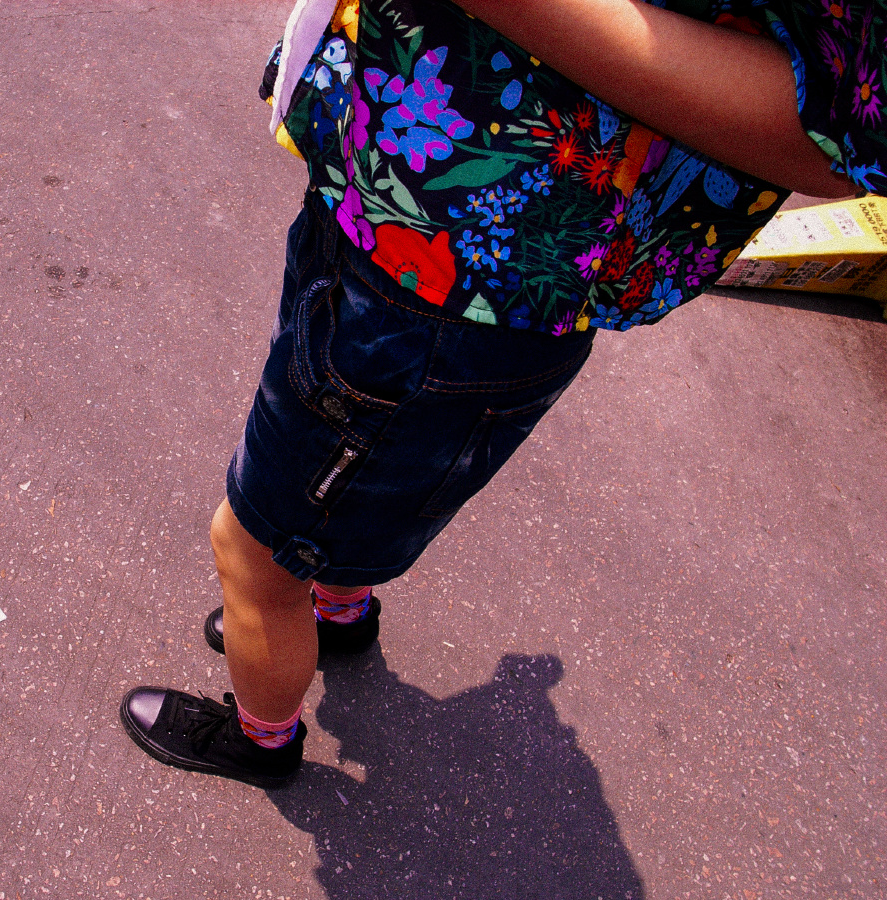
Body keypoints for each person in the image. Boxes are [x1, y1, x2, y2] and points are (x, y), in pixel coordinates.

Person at [120, 0, 879, 788]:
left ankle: (262, 738)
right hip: (448, 240)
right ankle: (336, 613)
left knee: (256, 551)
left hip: (451, 264)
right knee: (368, 482)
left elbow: (847, 128)